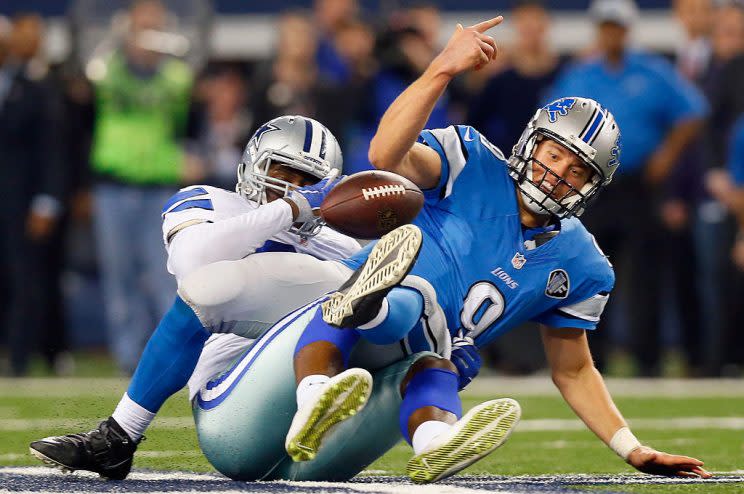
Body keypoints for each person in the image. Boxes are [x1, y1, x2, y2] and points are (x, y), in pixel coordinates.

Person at [185, 16, 711, 485]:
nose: (560, 175)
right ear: (531, 143)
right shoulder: (471, 159)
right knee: (414, 297)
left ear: (593, 185)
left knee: (448, 362)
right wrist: (441, 70)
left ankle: (436, 441)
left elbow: (573, 369)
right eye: (556, 155)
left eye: (578, 171)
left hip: (381, 386)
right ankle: (319, 383)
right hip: (288, 367)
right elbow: (385, 154)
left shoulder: (584, 264)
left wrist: (633, 448)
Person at [28, 115, 360, 479]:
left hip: (337, 419)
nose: (294, 189)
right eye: (284, 174)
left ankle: (429, 436)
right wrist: (289, 210)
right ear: (253, 164)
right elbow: (194, 264)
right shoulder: (207, 202)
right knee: (208, 289)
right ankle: (119, 436)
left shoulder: (339, 244)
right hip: (233, 414)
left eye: (308, 183)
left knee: (395, 313)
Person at [547, 0, 707, 375]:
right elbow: (551, 117)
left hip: (638, 185)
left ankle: (647, 359)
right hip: (589, 187)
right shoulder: (581, 74)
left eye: (617, 27)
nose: (611, 34)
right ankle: (591, 358)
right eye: (605, 27)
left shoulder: (653, 70)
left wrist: (667, 154)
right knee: (587, 269)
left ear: (627, 30)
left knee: (645, 273)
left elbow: (693, 112)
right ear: (597, 30)